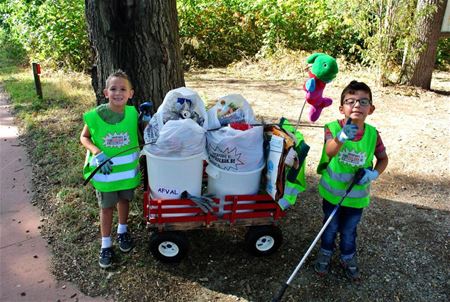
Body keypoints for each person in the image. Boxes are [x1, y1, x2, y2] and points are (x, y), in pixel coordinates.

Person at [314, 80, 389, 281]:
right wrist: (342, 137)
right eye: (350, 101)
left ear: (371, 109)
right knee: (329, 227)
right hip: (332, 194)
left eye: (363, 101)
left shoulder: (373, 134)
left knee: (349, 230)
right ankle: (325, 252)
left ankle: (348, 257)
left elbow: (383, 159)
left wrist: (374, 174)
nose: (357, 105)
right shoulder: (332, 128)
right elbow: (330, 151)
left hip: (356, 198)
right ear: (342, 108)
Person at [80, 70, 143, 268]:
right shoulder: (95, 116)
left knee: (124, 200)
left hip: (126, 174)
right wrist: (98, 152)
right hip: (106, 175)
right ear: (106, 93)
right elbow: (84, 137)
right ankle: (106, 244)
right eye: (113, 89)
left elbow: (143, 134)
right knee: (106, 208)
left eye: (123, 89)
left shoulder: (133, 114)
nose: (118, 93)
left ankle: (122, 231)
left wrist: (148, 121)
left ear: (130, 93)